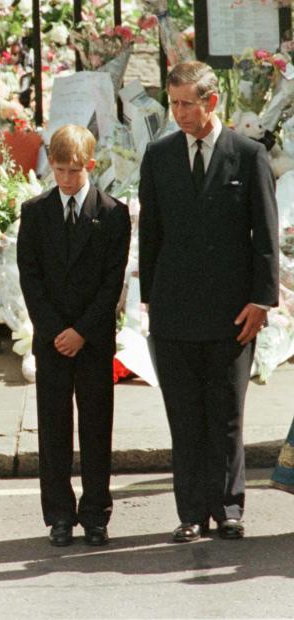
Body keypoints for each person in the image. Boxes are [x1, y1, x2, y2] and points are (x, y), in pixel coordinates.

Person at [139, 60, 279, 543]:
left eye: (185, 103)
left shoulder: (247, 155)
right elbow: (150, 234)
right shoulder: (158, 156)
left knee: (225, 415)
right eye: (172, 103)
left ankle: (229, 507)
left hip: (232, 312)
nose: (177, 113)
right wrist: (149, 301)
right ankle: (191, 513)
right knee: (184, 416)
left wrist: (261, 301)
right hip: (174, 311)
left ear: (211, 101)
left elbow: (265, 235)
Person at [17, 124, 131, 547]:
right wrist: (55, 330)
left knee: (97, 427)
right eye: (59, 170)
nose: (66, 179)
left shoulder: (112, 213)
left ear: (91, 166)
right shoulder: (35, 211)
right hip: (52, 339)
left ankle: (97, 514)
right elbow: (30, 278)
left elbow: (111, 283)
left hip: (93, 338)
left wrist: (81, 331)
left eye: (74, 171)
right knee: (54, 429)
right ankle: (59, 515)